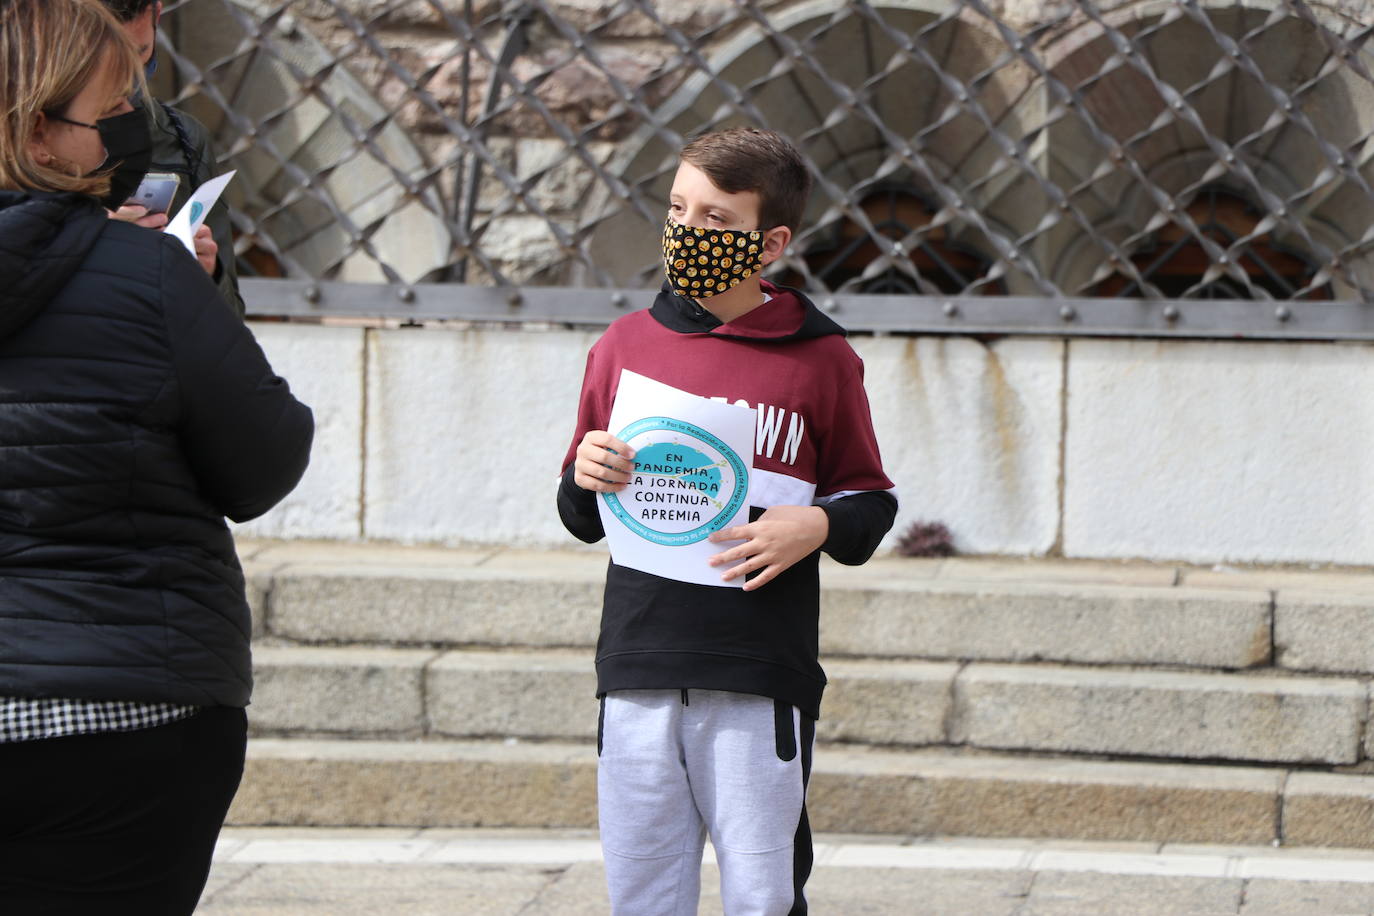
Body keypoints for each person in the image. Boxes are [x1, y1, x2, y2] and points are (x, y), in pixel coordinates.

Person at [0, 0, 314, 912]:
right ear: (37, 133)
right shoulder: (146, 276)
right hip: (130, 712)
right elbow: (265, 461)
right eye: (110, 110)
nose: (131, 129)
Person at [557, 127, 898, 915]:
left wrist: (813, 526)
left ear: (769, 240)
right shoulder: (623, 346)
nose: (687, 231)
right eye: (678, 208)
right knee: (641, 893)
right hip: (638, 664)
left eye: (716, 218)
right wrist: (584, 477)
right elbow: (581, 512)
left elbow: (869, 501)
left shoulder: (822, 359)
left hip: (757, 672)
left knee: (761, 892)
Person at [104, 0, 247, 317]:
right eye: (105, 57)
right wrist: (89, 235)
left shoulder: (183, 137)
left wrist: (207, 275)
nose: (124, 78)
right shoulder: (17, 134)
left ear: (156, 12)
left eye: (138, 52)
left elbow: (231, 317)